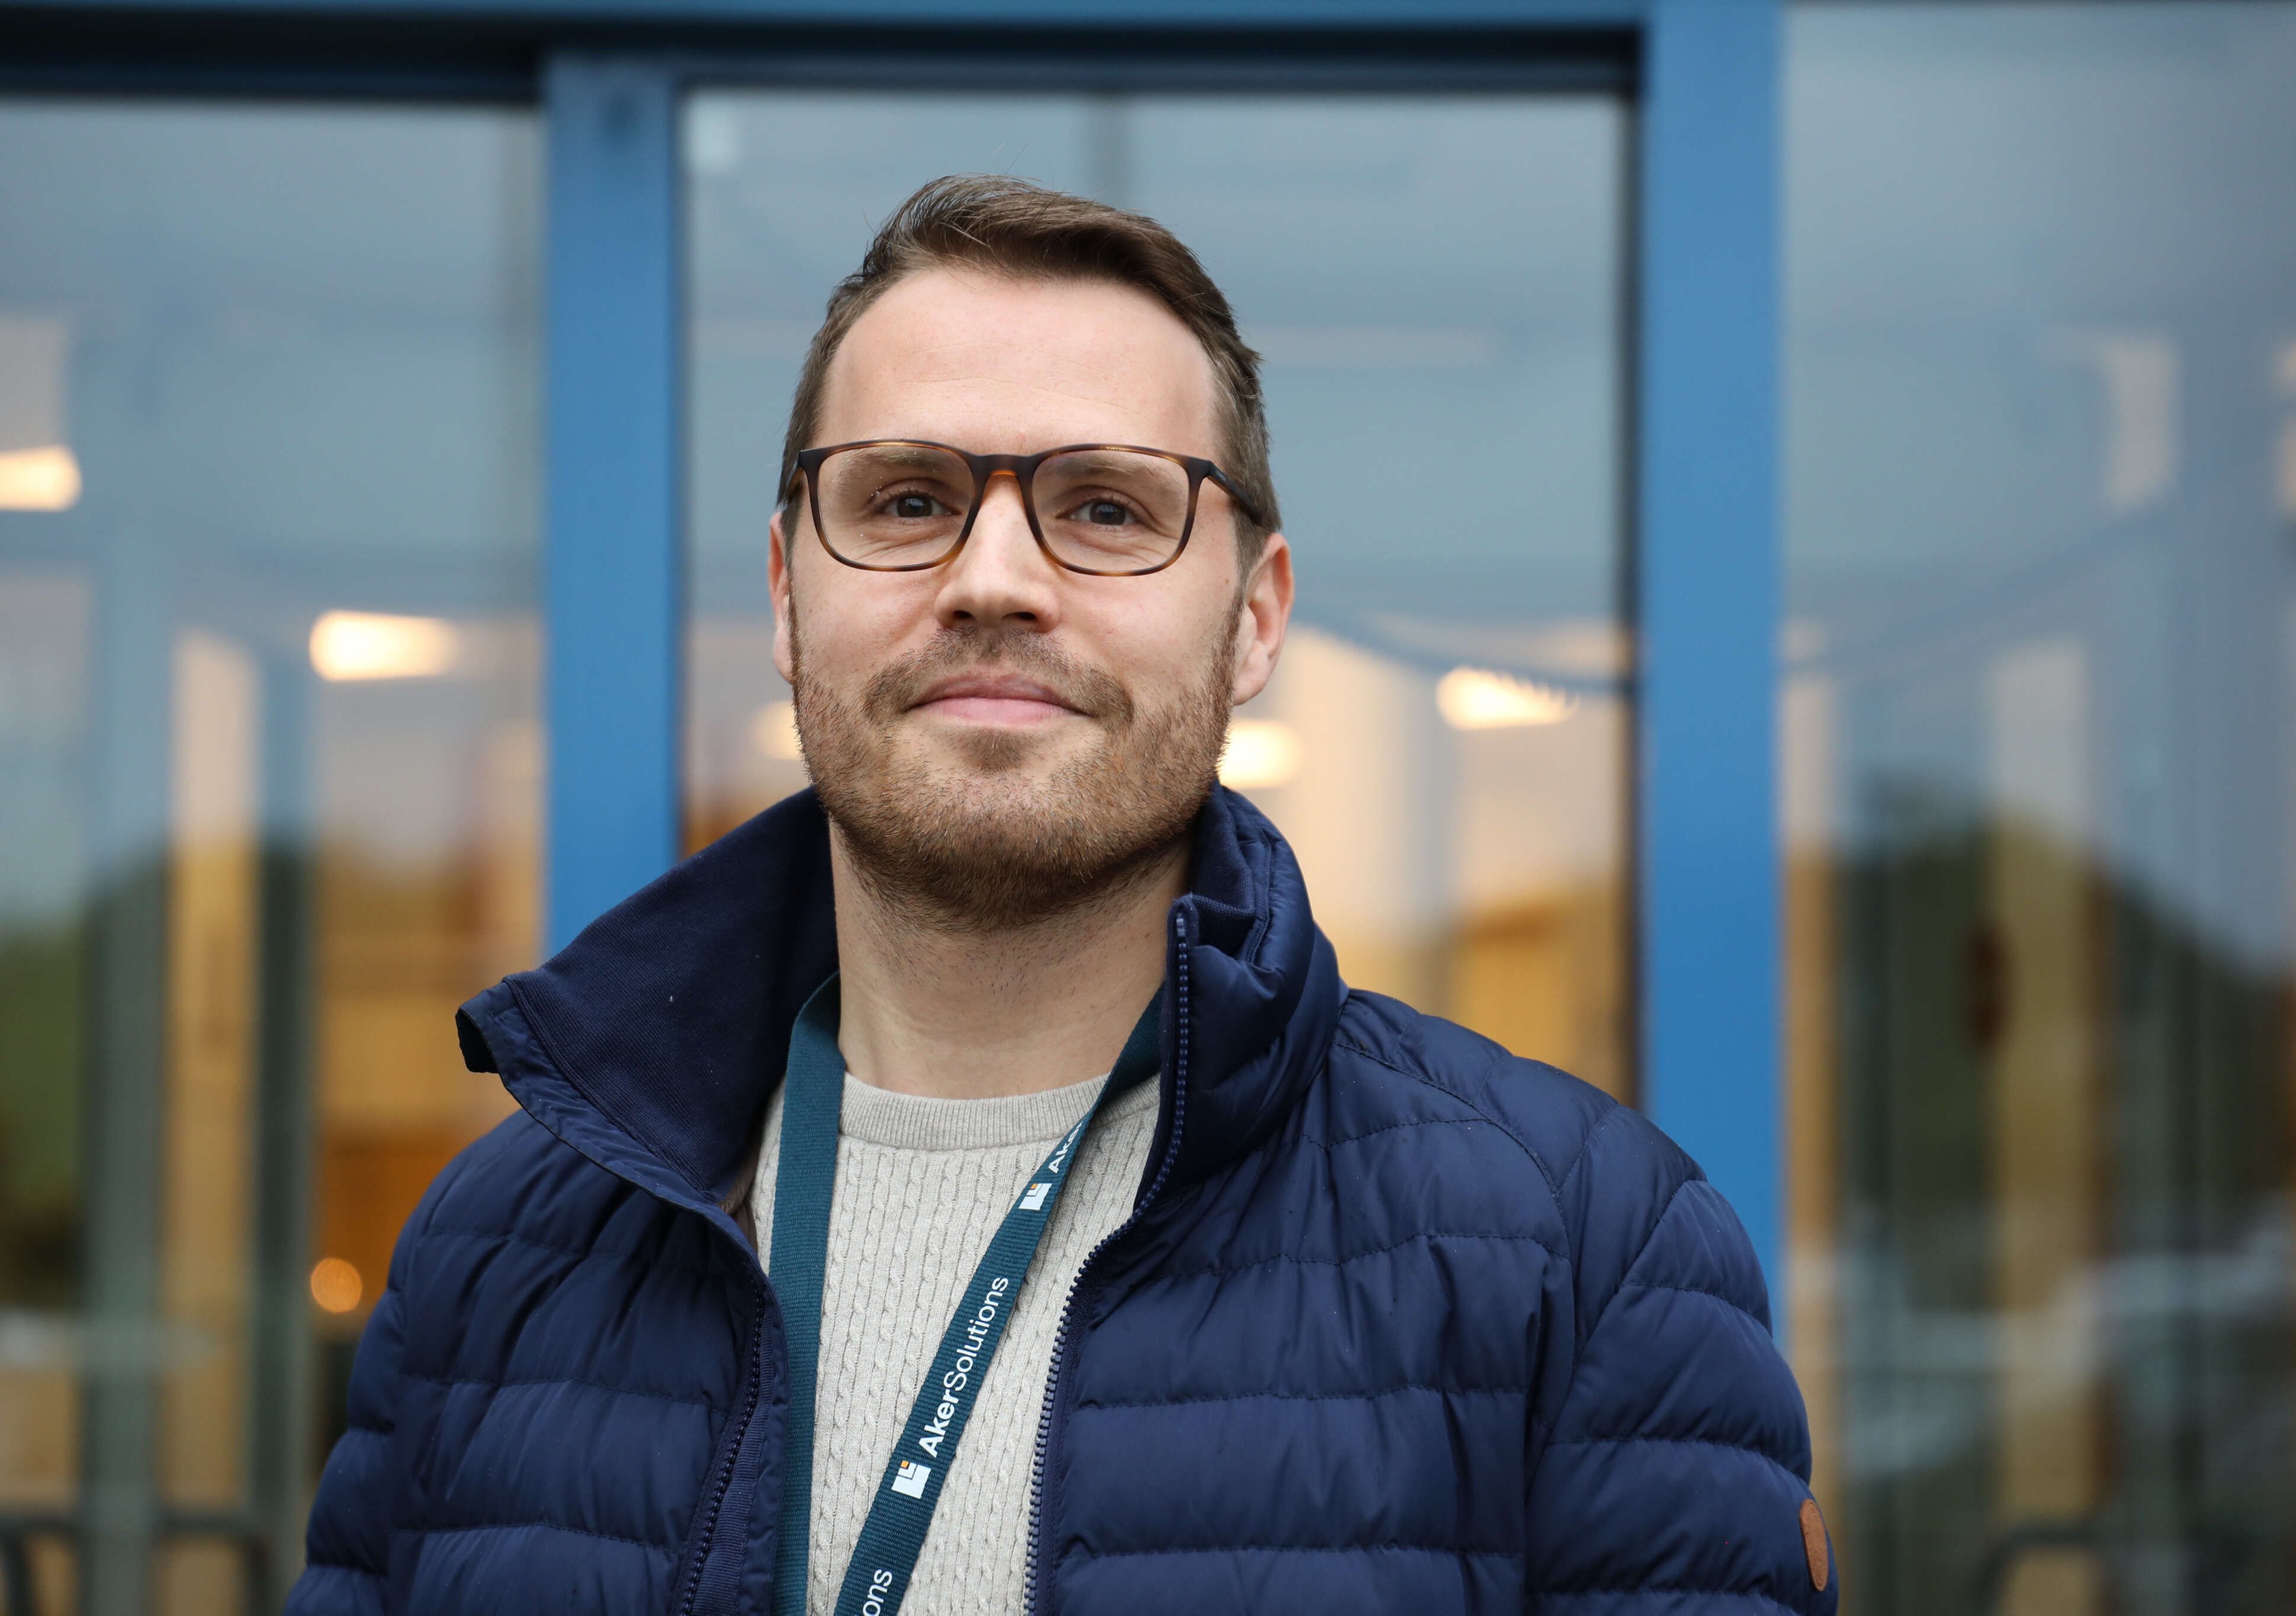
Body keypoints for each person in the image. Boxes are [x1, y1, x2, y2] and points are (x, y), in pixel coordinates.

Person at [287, 174, 1835, 1616]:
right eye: (906, 500)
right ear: (786, 592)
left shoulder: (1587, 1250)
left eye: (1106, 508)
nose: (994, 579)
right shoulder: (494, 1256)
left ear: (1254, 617)